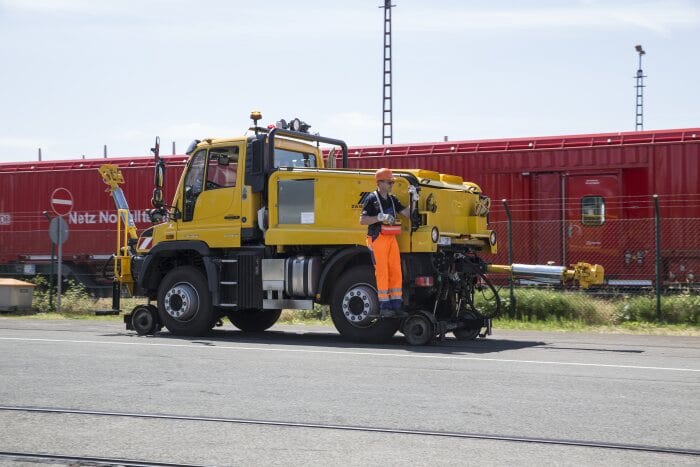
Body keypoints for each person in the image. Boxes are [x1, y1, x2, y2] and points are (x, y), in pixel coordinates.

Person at [360, 168, 412, 318]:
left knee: (395, 270)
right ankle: (385, 306)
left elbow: (407, 213)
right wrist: (379, 217)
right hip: (377, 238)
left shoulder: (392, 199)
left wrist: (414, 198)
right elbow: (362, 220)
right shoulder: (371, 199)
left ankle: (396, 305)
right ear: (380, 183)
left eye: (392, 182)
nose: (391, 185)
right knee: (382, 272)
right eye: (389, 182)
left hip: (390, 238)